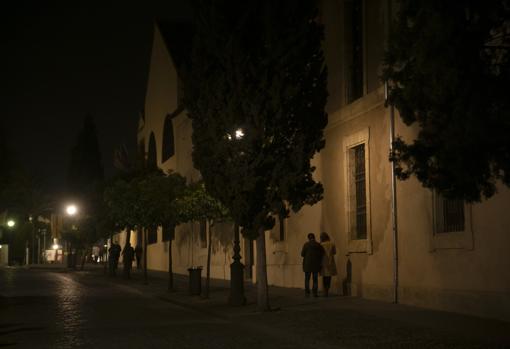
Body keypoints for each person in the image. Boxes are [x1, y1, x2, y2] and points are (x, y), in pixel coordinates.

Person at [301, 233, 325, 297]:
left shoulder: (306, 245)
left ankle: (307, 292)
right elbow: (322, 253)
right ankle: (315, 293)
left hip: (307, 265)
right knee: (315, 279)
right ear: (314, 237)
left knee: (307, 279)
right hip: (316, 265)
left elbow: (302, 254)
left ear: (308, 238)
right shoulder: (318, 245)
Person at [319, 232, 337, 297]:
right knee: (329, 277)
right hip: (330, 261)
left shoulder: (321, 244)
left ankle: (325, 291)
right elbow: (334, 252)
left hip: (323, 262)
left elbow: (319, 253)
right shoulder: (332, 243)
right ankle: (327, 289)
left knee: (324, 276)